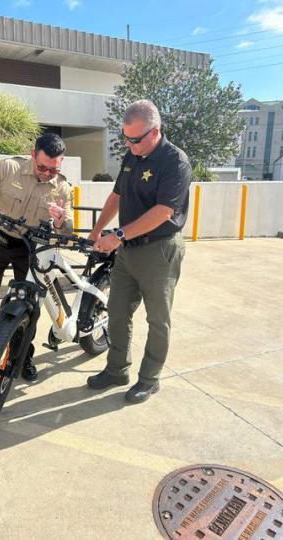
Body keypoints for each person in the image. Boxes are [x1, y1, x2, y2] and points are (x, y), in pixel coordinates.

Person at [86, 100, 190, 403]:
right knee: (117, 312)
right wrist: (97, 229)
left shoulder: (175, 161)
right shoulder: (132, 157)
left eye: (135, 139)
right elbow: (117, 194)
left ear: (154, 132)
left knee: (158, 319)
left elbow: (162, 212)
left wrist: (117, 234)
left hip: (160, 251)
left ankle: (150, 378)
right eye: (125, 138)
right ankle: (117, 369)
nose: (129, 145)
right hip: (128, 250)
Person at [0, 133, 74, 382]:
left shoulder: (62, 187)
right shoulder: (8, 167)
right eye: (42, 166)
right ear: (33, 154)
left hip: (30, 250)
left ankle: (22, 356)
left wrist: (62, 221)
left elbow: (68, 229)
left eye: (54, 169)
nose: (47, 173)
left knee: (30, 306)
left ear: (61, 164)